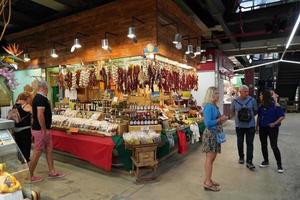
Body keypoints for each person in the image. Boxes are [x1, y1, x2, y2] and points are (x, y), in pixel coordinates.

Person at [30, 80, 65, 183]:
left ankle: (52, 171)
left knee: (49, 149)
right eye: (47, 89)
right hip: (41, 130)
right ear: (43, 88)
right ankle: (30, 174)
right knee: (37, 152)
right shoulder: (40, 98)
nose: (48, 90)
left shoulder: (41, 98)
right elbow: (40, 115)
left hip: (45, 129)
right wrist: (44, 130)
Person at [202, 87, 227, 192]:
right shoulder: (209, 106)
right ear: (211, 95)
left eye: (218, 93)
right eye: (216, 93)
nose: (218, 95)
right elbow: (207, 123)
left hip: (214, 134)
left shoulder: (213, 106)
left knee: (211, 159)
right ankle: (207, 182)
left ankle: (208, 179)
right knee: (209, 159)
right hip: (211, 135)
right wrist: (220, 119)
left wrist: (221, 119)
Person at [231, 85, 258, 170]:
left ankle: (249, 161)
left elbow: (256, 111)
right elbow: (232, 111)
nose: (247, 93)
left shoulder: (252, 100)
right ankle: (241, 157)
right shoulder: (234, 101)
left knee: (250, 143)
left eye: (247, 91)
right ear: (240, 92)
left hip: (250, 126)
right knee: (240, 142)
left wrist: (248, 117)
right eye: (245, 91)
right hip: (239, 126)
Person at [257, 90, 285, 173]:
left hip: (273, 129)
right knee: (263, 145)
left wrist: (274, 123)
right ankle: (266, 161)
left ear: (265, 96)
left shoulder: (275, 105)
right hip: (262, 128)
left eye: (261, 95)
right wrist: (257, 127)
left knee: (274, 146)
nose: (260, 96)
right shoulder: (261, 106)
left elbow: (282, 116)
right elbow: (259, 117)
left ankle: (279, 165)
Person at [13, 92, 32, 163]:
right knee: (26, 149)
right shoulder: (27, 106)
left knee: (19, 148)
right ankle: (26, 165)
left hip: (16, 130)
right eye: (29, 98)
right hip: (25, 130)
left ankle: (20, 162)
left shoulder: (14, 106)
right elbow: (35, 115)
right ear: (26, 99)